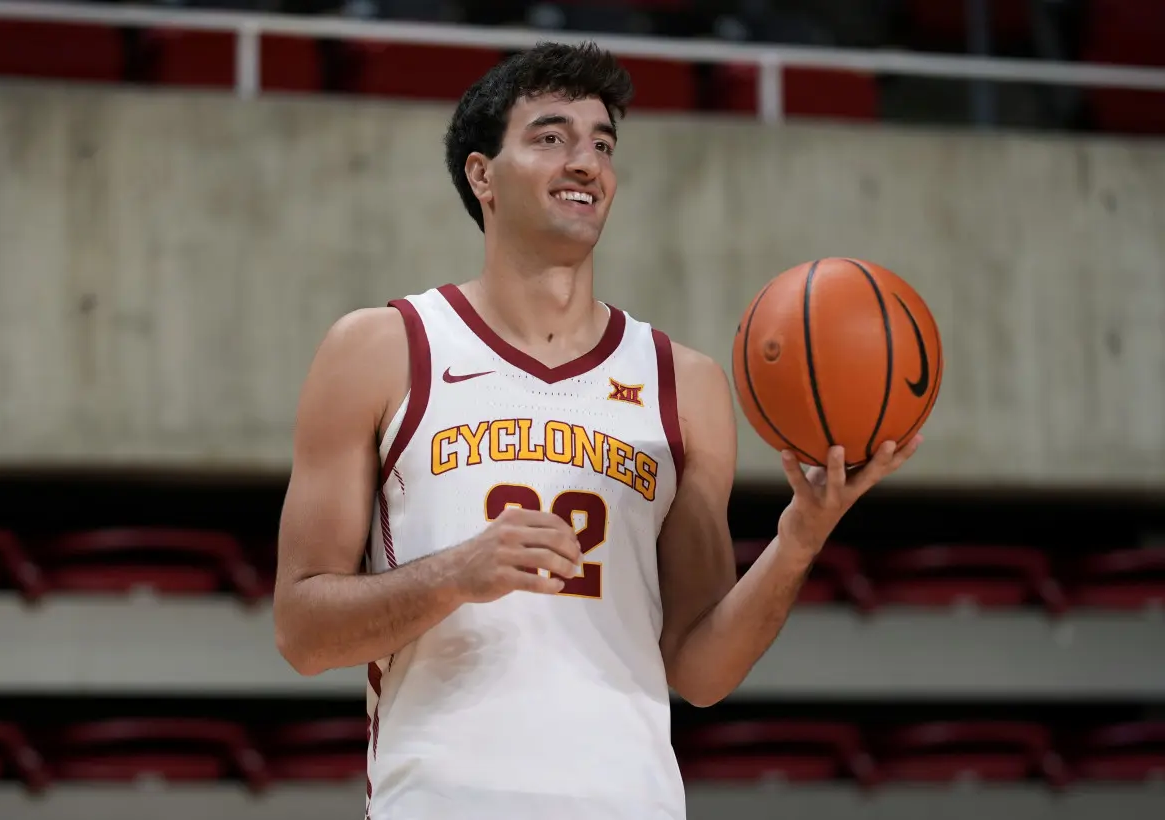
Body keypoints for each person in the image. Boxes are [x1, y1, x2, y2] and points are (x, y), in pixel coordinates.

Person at [273, 41, 920, 820]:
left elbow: (702, 671)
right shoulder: (382, 348)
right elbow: (304, 632)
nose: (585, 161)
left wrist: (800, 540)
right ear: (483, 175)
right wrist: (456, 574)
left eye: (602, 144)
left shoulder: (686, 382)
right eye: (551, 137)